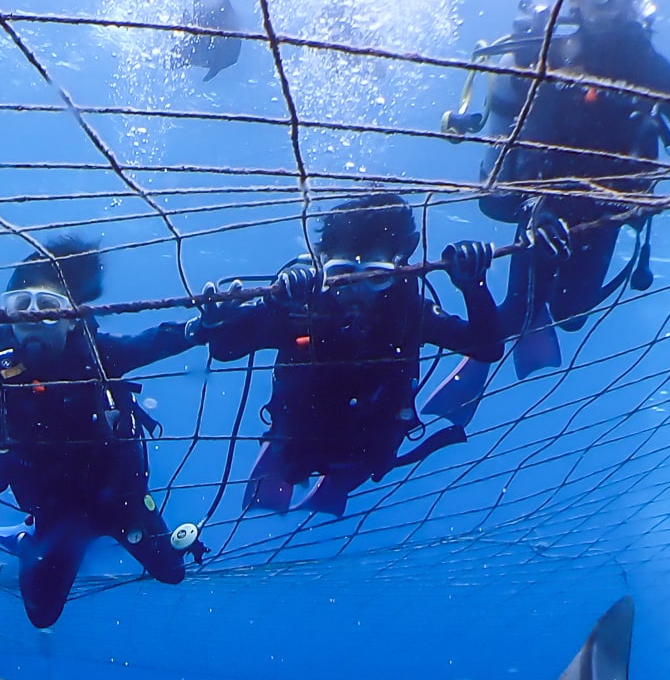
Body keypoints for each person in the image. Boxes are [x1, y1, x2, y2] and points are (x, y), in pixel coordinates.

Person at [429, 0, 670, 423]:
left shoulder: (648, 63)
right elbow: (528, 148)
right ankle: (477, 368)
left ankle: (525, 330)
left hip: (609, 208)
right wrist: (533, 207)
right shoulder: (551, 51)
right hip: (543, 203)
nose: (614, 5)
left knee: (571, 316)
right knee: (521, 307)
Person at [0, 234, 199, 629]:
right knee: (41, 615)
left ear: (70, 318)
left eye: (47, 307)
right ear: (6, 317)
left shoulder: (97, 355)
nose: (32, 318)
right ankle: (27, 542)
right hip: (57, 513)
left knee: (173, 571)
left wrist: (200, 327)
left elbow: (152, 342)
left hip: (122, 499)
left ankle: (30, 538)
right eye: (20, 307)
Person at [195, 194, 501, 517]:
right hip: (298, 437)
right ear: (323, 262)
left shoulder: (407, 312)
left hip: (372, 445)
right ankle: (296, 466)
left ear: (398, 267)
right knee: (303, 457)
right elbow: (225, 348)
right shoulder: (302, 307)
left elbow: (486, 347)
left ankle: (332, 483)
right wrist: (237, 316)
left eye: (376, 277)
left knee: (363, 463)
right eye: (343, 275)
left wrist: (474, 285)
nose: (356, 292)